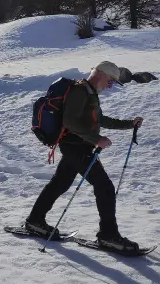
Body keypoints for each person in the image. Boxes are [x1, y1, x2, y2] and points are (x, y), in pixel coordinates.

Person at [25, 61, 144, 252]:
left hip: (78, 146)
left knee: (60, 184)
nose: (109, 85)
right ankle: (108, 235)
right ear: (101, 75)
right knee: (104, 186)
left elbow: (99, 120)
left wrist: (129, 124)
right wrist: (96, 139)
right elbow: (70, 121)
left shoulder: (90, 93)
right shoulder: (80, 91)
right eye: (110, 81)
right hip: (75, 147)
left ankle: (34, 220)